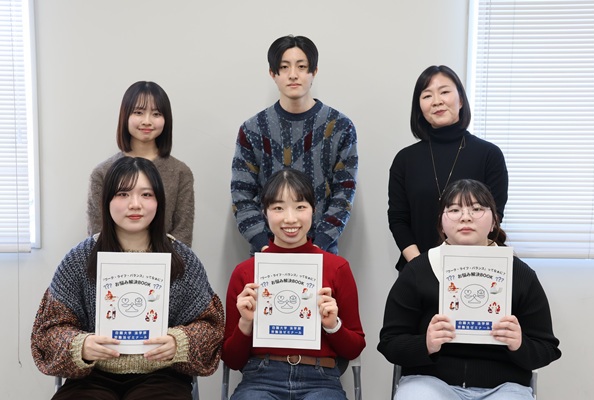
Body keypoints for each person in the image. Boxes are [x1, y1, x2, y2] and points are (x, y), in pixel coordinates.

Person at [32, 157, 224, 400]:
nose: (135, 204)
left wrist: (180, 342)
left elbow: (211, 326)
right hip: (92, 377)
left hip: (162, 376)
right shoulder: (79, 259)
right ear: (107, 200)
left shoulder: (182, 259)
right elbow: (48, 331)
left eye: (146, 194)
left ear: (159, 201)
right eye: (123, 194)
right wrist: (80, 345)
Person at [378, 179, 561, 400]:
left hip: (504, 387)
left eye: (477, 209)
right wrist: (425, 344)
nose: (466, 217)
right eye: (454, 210)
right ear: (441, 223)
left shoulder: (520, 274)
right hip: (430, 381)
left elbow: (547, 348)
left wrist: (520, 344)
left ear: (494, 222)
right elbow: (389, 343)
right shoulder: (418, 270)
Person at [223, 168, 365, 399]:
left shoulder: (336, 268)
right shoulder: (246, 272)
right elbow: (232, 360)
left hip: (321, 380)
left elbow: (354, 348)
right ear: (265, 212)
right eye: (278, 208)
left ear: (313, 210)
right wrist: (245, 323)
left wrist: (333, 325)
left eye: (300, 207)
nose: (290, 218)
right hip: (260, 378)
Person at [231, 34, 358, 255]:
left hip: (322, 251)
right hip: (266, 251)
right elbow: (241, 194)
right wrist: (263, 243)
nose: (293, 75)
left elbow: (344, 192)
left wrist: (319, 243)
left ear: (314, 71)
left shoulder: (340, 127)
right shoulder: (252, 129)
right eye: (284, 67)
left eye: (301, 66)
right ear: (273, 73)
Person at [388, 65, 508, 271]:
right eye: (427, 96)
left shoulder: (489, 154)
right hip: (418, 268)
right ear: (419, 107)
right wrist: (421, 267)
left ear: (460, 100)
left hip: (476, 268)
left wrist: (462, 266)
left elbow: (494, 216)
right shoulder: (405, 159)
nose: (437, 101)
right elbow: (398, 220)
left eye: (444, 92)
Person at [87, 81, 195, 247]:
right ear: (125, 116)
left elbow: (183, 234)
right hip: (112, 260)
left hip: (166, 260)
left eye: (156, 114)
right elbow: (97, 234)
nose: (147, 121)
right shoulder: (102, 172)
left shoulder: (180, 172)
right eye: (138, 112)